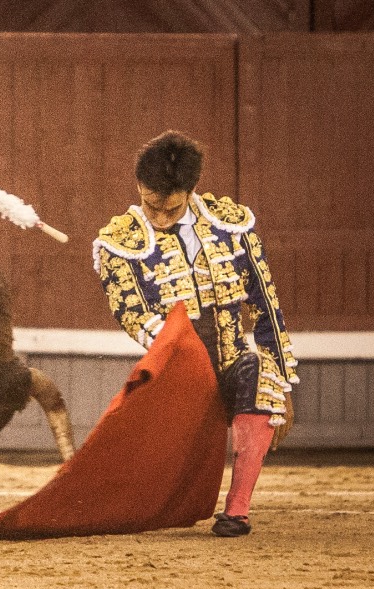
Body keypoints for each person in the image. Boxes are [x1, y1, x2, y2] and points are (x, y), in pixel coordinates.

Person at [92, 130, 298, 537]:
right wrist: (179, 351)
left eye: (170, 209)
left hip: (230, 355)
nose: (160, 218)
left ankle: (236, 511)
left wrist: (284, 384)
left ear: (192, 190)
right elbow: (132, 314)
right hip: (175, 367)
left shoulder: (232, 227)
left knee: (256, 374)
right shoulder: (119, 243)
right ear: (138, 187)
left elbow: (265, 303)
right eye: (151, 206)